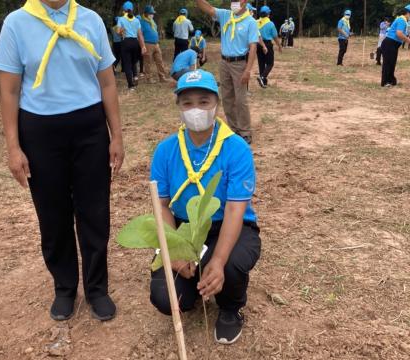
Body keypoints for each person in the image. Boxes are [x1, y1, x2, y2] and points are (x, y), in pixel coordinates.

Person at [0, 0, 124, 322]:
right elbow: (9, 91)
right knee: (53, 215)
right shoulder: (17, 23)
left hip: (89, 129)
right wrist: (13, 147)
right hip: (39, 131)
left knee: (94, 212)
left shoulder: (90, 20)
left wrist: (116, 135)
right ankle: (64, 287)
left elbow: (106, 82)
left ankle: (97, 288)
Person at [150, 69, 261, 345]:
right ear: (178, 107)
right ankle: (196, 289)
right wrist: (174, 249)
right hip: (185, 229)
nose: (196, 109)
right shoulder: (165, 151)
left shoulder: (236, 149)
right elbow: (161, 205)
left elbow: (236, 209)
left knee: (229, 265)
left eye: (204, 101)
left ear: (216, 104)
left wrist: (219, 260)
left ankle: (230, 308)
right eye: (187, 103)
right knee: (167, 298)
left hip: (230, 226)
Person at [196, 0, 259, 145]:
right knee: (227, 98)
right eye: (232, 1)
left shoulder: (251, 22)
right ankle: (234, 129)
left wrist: (248, 70)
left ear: (244, 2)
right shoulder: (225, 15)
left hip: (240, 64)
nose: (233, 3)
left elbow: (253, 47)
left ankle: (245, 132)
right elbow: (208, 8)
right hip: (224, 62)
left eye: (236, 1)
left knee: (241, 100)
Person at [117, 1, 147, 90]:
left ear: (124, 9)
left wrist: (121, 30)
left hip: (126, 42)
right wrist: (143, 46)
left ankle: (130, 85)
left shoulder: (121, 19)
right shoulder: (137, 20)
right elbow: (140, 34)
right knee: (134, 62)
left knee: (127, 64)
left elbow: (118, 32)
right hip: (135, 42)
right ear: (132, 9)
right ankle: (135, 77)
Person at [381, 5, 410, 87]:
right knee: (388, 63)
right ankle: (385, 82)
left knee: (392, 63)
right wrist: (408, 41)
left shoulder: (405, 21)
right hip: (389, 43)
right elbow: (399, 33)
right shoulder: (401, 20)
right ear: (408, 13)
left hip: (393, 45)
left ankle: (391, 80)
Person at [139, 5, 169, 83]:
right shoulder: (141, 22)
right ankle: (149, 78)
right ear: (146, 13)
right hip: (147, 44)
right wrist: (142, 46)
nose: (152, 15)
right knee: (148, 62)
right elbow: (140, 34)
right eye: (150, 13)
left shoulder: (152, 21)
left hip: (156, 44)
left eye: (153, 13)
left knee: (160, 61)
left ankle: (162, 77)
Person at [256, 6, 282, 88]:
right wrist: (279, 46)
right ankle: (263, 77)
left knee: (261, 63)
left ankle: (263, 82)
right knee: (270, 63)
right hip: (267, 44)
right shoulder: (270, 24)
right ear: (268, 14)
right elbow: (275, 36)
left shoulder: (256, 22)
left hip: (258, 44)